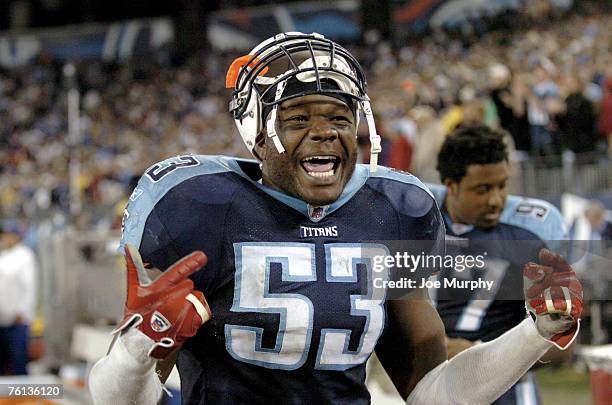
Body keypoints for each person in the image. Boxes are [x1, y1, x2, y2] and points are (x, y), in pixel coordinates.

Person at [89, 32, 582, 405]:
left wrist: (535, 331)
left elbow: (435, 394)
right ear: (257, 135)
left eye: (339, 118)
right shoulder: (198, 207)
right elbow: (114, 397)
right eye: (299, 119)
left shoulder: (393, 211)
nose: (325, 133)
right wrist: (138, 348)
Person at [427, 125, 574, 404]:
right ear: (451, 185)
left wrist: (482, 354)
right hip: (430, 386)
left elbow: (563, 344)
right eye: (482, 189)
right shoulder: (417, 217)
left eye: (502, 186)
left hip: (507, 391)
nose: (496, 200)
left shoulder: (531, 236)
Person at [0, 221, 38, 375]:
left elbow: (30, 287)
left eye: (9, 235)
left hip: (17, 321)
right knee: (2, 365)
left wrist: (22, 311)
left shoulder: (25, 256)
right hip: (2, 319)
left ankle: (23, 399)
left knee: (18, 363)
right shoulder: (3, 255)